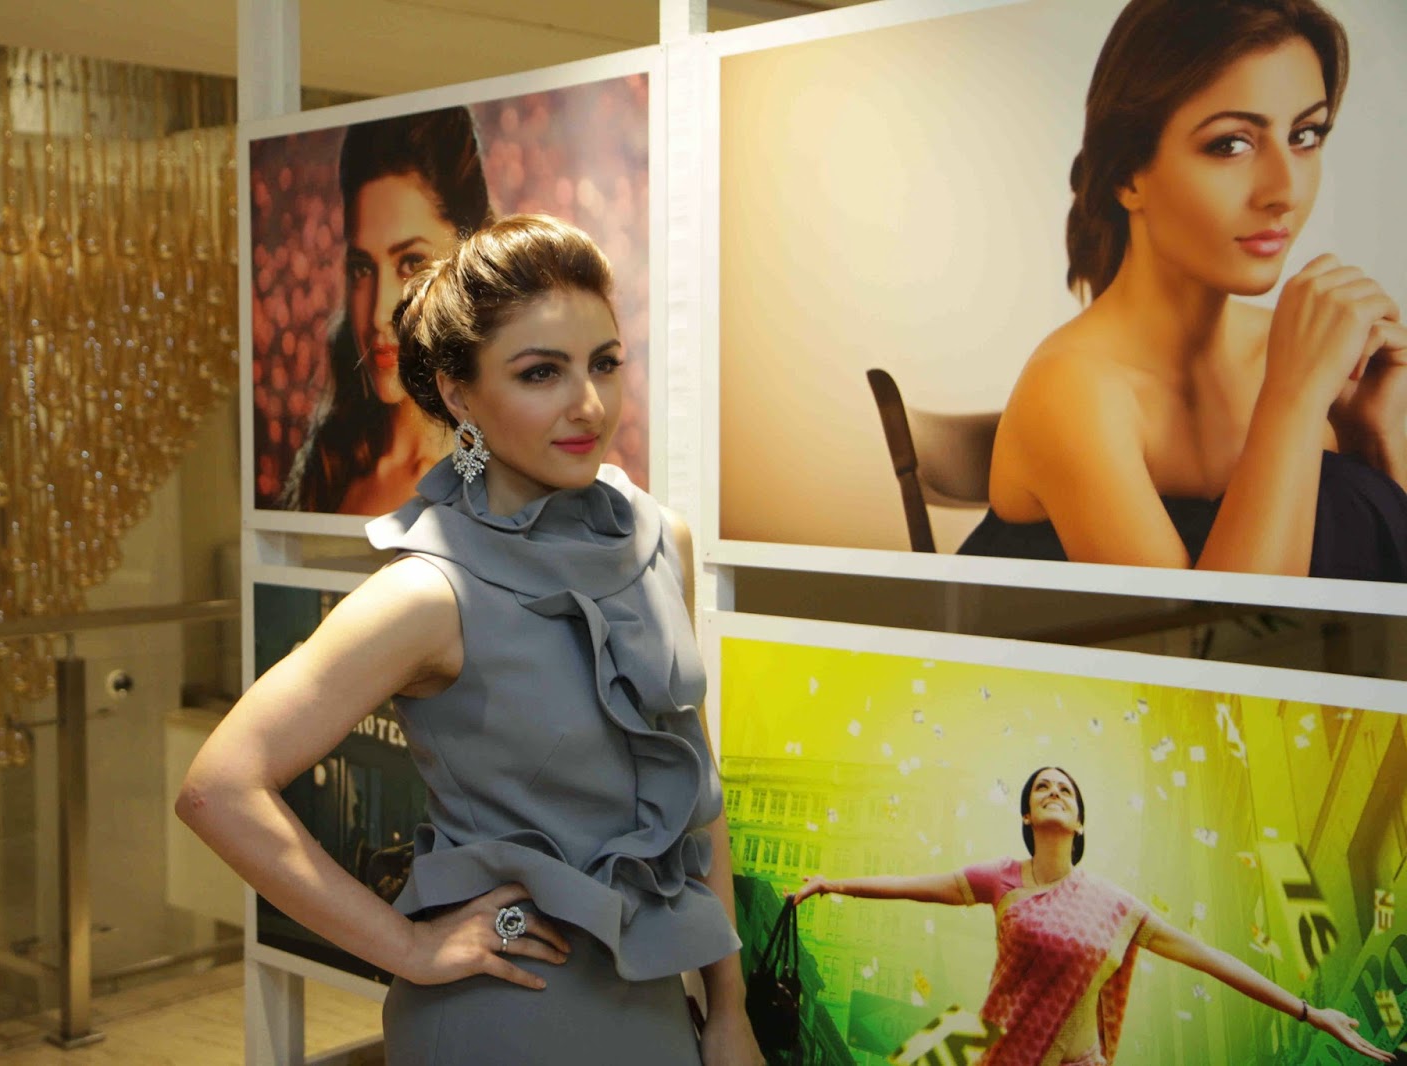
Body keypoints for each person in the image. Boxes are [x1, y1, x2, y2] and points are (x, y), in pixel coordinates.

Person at [181, 215, 763, 1065]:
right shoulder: (428, 592)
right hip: (505, 1014)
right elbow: (218, 789)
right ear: (459, 396)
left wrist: (728, 1009)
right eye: (541, 373)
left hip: (659, 1008)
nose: (589, 404)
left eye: (604, 363)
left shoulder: (659, 542)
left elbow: (695, 797)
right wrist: (408, 946)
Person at [958, 0, 1407, 580]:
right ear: (1128, 175)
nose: (1285, 190)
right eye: (1231, 144)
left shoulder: (1300, 353)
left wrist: (1373, 437)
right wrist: (1291, 403)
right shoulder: (1072, 390)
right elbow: (1212, 632)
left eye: (1304, 134)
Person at [791, 766, 1389, 1065]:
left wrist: (1311, 1014)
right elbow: (915, 886)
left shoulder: (1118, 908)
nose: (1054, 791)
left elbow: (1211, 959)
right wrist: (833, 884)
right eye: (1042, 788)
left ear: (1079, 823)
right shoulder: (1001, 878)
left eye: (1066, 790)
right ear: (1027, 817)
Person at [280, 107, 495, 514]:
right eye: (362, 268)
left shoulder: (501, 481)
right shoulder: (328, 470)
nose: (379, 311)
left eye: (411, 262)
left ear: (472, 257)